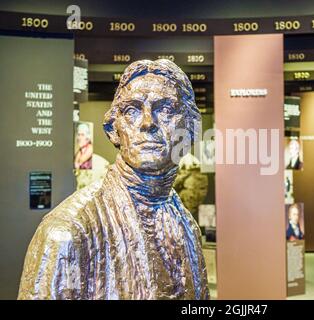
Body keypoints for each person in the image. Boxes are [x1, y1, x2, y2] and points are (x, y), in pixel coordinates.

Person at [18, 59, 209, 300]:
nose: (148, 123)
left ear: (191, 129)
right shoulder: (68, 234)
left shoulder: (185, 224)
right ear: (113, 130)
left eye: (165, 109)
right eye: (132, 111)